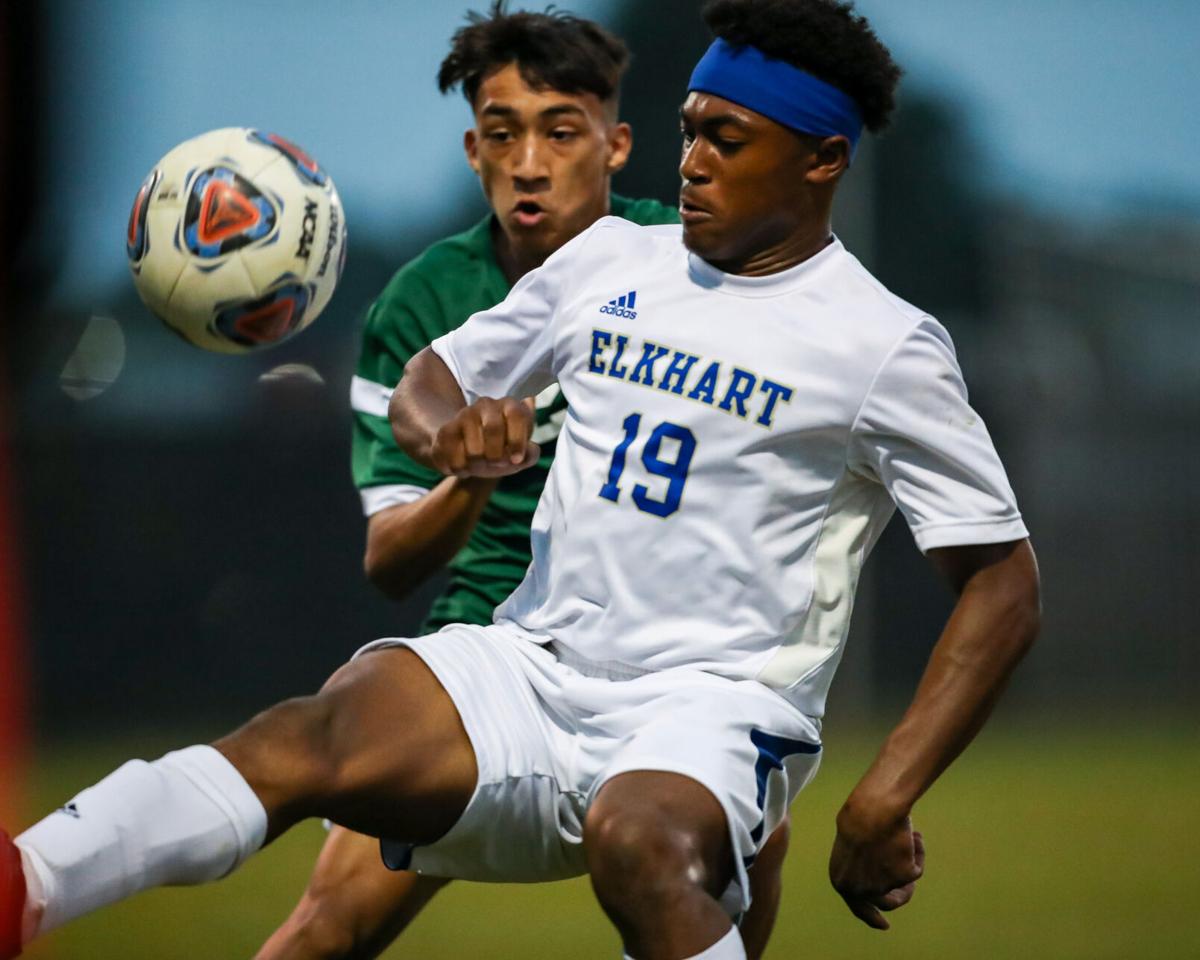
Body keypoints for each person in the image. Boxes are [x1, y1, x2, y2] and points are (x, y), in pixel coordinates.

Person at [1, 1, 1041, 958]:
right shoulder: (615, 263)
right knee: (308, 735)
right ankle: (24, 884)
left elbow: (1002, 582)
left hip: (714, 709)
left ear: (821, 161)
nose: (693, 162)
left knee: (640, 844)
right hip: (533, 667)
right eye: (689, 128)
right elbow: (430, 378)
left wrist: (881, 797)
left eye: (727, 139)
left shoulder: (885, 344)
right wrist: (454, 435)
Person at [257, 4, 785, 958]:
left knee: (761, 833)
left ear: (617, 146)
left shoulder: (688, 262)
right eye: (504, 133)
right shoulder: (421, 304)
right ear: (473, 149)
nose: (530, 163)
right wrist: (467, 475)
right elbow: (389, 559)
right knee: (330, 928)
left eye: (560, 131)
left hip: (659, 655)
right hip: (481, 651)